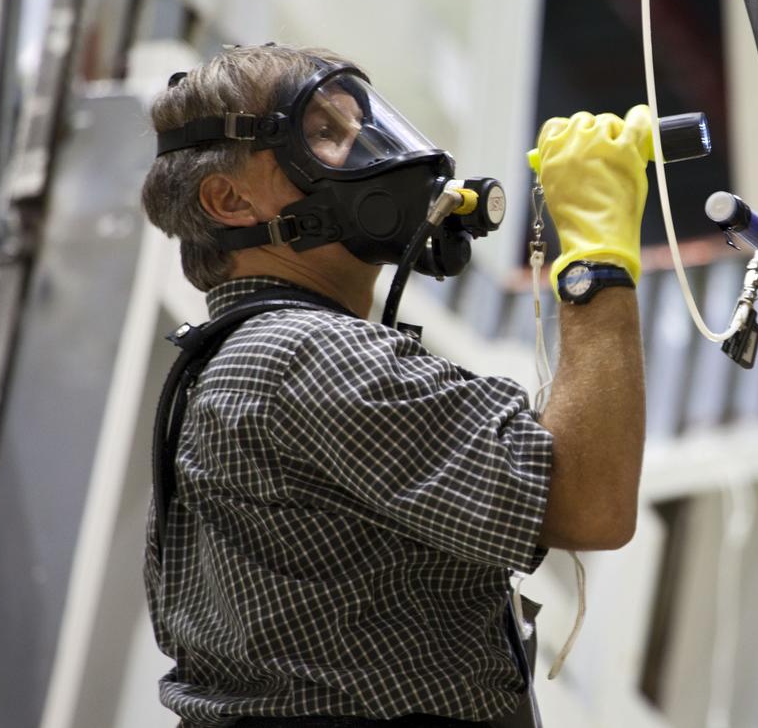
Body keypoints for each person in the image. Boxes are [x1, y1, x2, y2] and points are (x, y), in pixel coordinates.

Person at [141, 43, 651, 728]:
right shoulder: (304, 352)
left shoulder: (231, 358)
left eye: (365, 123)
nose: (373, 150)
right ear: (230, 200)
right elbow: (589, 502)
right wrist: (596, 261)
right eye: (324, 133)